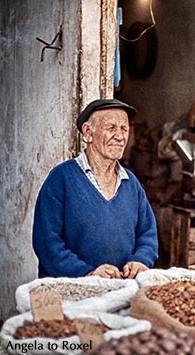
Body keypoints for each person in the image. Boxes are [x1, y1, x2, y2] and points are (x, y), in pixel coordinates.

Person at [32, 99, 158, 279]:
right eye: (111, 128)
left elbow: (147, 234)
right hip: (71, 291)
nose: (120, 136)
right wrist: (86, 272)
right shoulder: (61, 178)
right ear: (88, 133)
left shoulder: (131, 183)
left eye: (124, 129)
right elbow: (47, 242)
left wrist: (141, 260)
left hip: (120, 287)